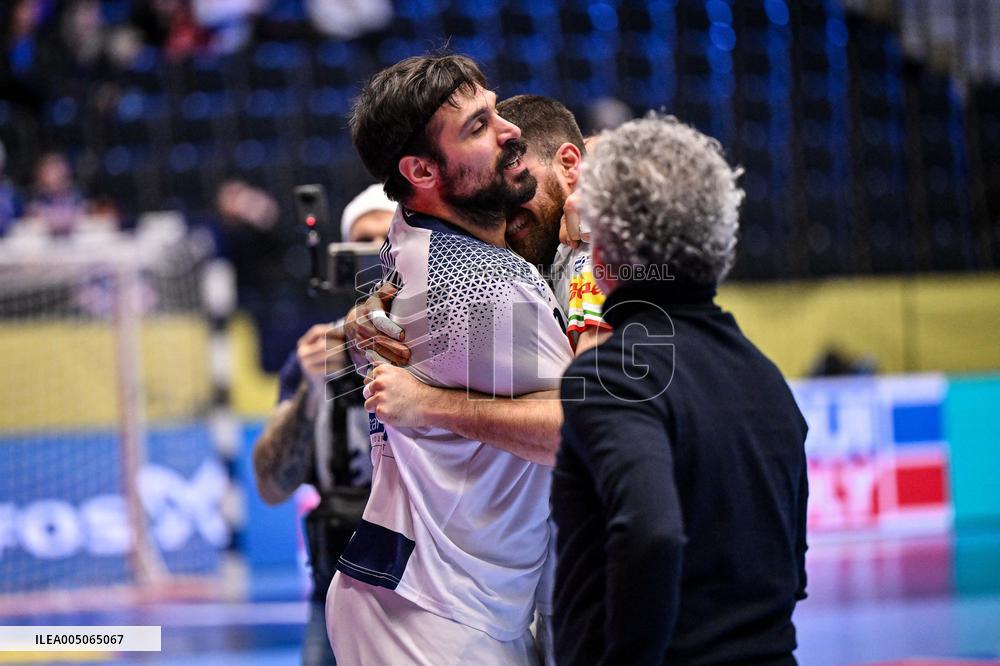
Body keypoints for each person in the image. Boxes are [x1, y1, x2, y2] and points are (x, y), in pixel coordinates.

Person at [325, 54, 573, 665]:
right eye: (479, 126)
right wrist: (432, 404)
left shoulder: (412, 232)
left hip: (422, 590)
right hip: (438, 613)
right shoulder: (482, 281)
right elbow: (581, 435)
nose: (509, 130)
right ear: (420, 170)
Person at [552, 114, 809, 665]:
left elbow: (652, 534)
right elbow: (794, 565)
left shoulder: (613, 374)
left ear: (598, 259)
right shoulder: (765, 377)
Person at [252, 184, 394, 666]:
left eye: (385, 242)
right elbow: (271, 486)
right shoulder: (318, 353)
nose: (373, 258)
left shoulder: (445, 343)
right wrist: (312, 388)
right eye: (361, 244)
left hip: (428, 589)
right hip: (334, 588)